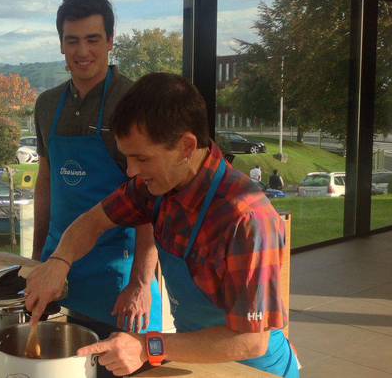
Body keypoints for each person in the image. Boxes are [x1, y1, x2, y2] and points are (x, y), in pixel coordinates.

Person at [25, 73, 299, 377]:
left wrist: (146, 346)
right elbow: (93, 221)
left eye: (141, 158)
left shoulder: (246, 218)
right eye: (127, 158)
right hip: (198, 360)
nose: (131, 171)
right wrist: (59, 261)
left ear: (186, 147)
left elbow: (251, 341)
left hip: (256, 369)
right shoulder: (154, 189)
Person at [31, 0, 161, 332]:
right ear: (61, 44)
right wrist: (36, 261)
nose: (82, 51)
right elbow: (46, 184)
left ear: (110, 41)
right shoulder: (46, 105)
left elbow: (151, 195)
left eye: (93, 39)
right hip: (60, 269)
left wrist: (141, 284)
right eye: (72, 41)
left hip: (118, 276)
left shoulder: (134, 101)